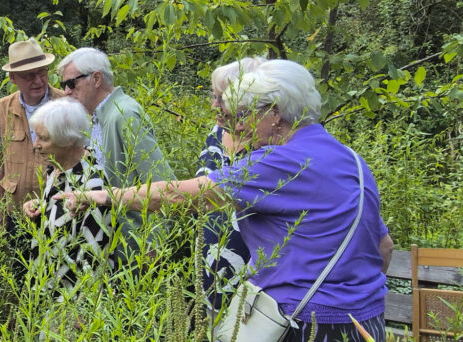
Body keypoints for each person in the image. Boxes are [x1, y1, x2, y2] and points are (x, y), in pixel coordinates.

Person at [57, 60, 394, 341]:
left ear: (275, 113)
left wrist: (103, 195)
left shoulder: (280, 163)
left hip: (306, 324)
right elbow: (384, 246)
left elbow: (181, 194)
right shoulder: (350, 159)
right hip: (367, 323)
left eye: (245, 114)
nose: (239, 126)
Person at [56, 47, 174, 252]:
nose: (66, 91)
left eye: (71, 83)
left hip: (134, 247)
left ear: (97, 79)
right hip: (112, 245)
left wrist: (153, 247)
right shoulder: (99, 118)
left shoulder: (124, 115)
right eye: (63, 85)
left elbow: (162, 184)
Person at [19, 98, 113, 292]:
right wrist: (40, 207)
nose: (35, 145)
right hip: (45, 287)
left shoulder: (93, 186)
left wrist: (72, 309)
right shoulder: (56, 169)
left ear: (69, 140)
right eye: (36, 137)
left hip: (67, 299)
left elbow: (94, 262)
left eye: (44, 139)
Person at [197, 57, 265, 313]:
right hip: (207, 270)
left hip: (252, 282)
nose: (214, 105)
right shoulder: (216, 134)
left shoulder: (267, 146)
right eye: (213, 96)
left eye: (222, 98)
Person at [0, 38, 67, 231]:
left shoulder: (66, 104)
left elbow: (83, 157)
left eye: (42, 72)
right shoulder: (2, 108)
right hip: (15, 213)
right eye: (29, 75)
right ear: (13, 78)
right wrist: (0, 214)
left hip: (57, 210)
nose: (38, 81)